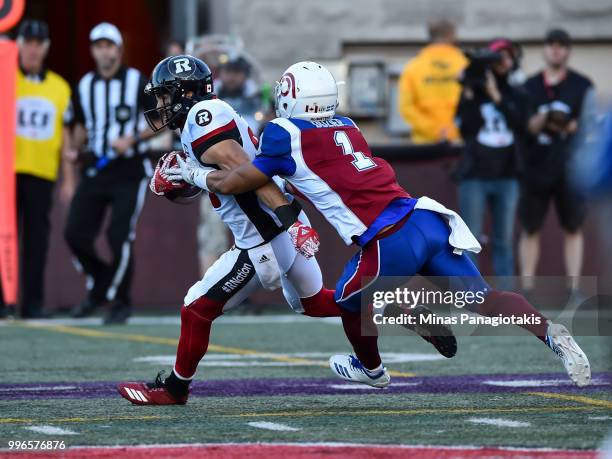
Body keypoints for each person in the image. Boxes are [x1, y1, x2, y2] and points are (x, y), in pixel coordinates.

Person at [188, 61, 591, 389]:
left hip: (388, 238)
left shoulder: (283, 132)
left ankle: (373, 369)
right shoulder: (349, 125)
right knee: (485, 300)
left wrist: (193, 175)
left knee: (349, 302)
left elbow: (242, 180)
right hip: (428, 218)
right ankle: (551, 333)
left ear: (292, 97)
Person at [116, 55, 455, 405]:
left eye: (165, 95)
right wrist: (187, 181)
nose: (160, 104)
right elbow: (229, 175)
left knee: (195, 308)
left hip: (262, 238)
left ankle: (174, 389)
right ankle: (389, 306)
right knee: (316, 302)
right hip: (282, 226)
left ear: (185, 93)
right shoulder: (210, 116)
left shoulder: (202, 118)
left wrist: (284, 220)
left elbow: (245, 172)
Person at [64, 23, 156, 324]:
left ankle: (119, 301)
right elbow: (76, 126)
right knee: (74, 233)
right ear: (93, 51)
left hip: (129, 169)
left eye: (109, 45)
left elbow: (163, 118)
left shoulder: (136, 82)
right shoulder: (84, 86)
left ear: (118, 49)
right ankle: (102, 285)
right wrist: (73, 154)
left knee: (119, 236)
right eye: (98, 46)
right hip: (96, 168)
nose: (104, 51)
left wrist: (133, 139)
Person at [519, 29, 596, 300]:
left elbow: (589, 126)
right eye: (551, 44)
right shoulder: (529, 86)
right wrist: (545, 118)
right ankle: (526, 288)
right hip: (536, 165)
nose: (556, 50)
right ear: (544, 49)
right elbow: (525, 125)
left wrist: (571, 124)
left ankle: (574, 288)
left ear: (568, 50)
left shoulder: (581, 84)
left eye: (562, 45)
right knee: (530, 227)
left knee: (573, 227)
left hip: (570, 164)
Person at [5, 20, 72, 318]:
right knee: (4, 236)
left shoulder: (60, 87)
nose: (32, 49)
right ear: (18, 45)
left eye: (37, 43)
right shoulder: (5, 79)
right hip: (6, 173)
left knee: (37, 240)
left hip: (42, 173)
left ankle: (32, 302)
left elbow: (66, 134)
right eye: (27, 42)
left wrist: (68, 178)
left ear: (45, 47)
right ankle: (4, 300)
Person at [455, 39, 527, 284]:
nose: (503, 62)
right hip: (475, 175)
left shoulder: (518, 92)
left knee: (504, 240)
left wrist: (497, 97)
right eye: (498, 57)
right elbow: (464, 128)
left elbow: (521, 124)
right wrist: (468, 92)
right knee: (470, 239)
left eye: (507, 56)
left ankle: (507, 297)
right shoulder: (473, 91)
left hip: (508, 175)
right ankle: (472, 296)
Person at [397, 19, 467, 143]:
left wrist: (434, 130)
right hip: (460, 139)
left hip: (425, 142)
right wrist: (453, 130)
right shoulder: (465, 64)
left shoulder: (413, 66)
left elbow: (406, 107)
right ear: (452, 35)